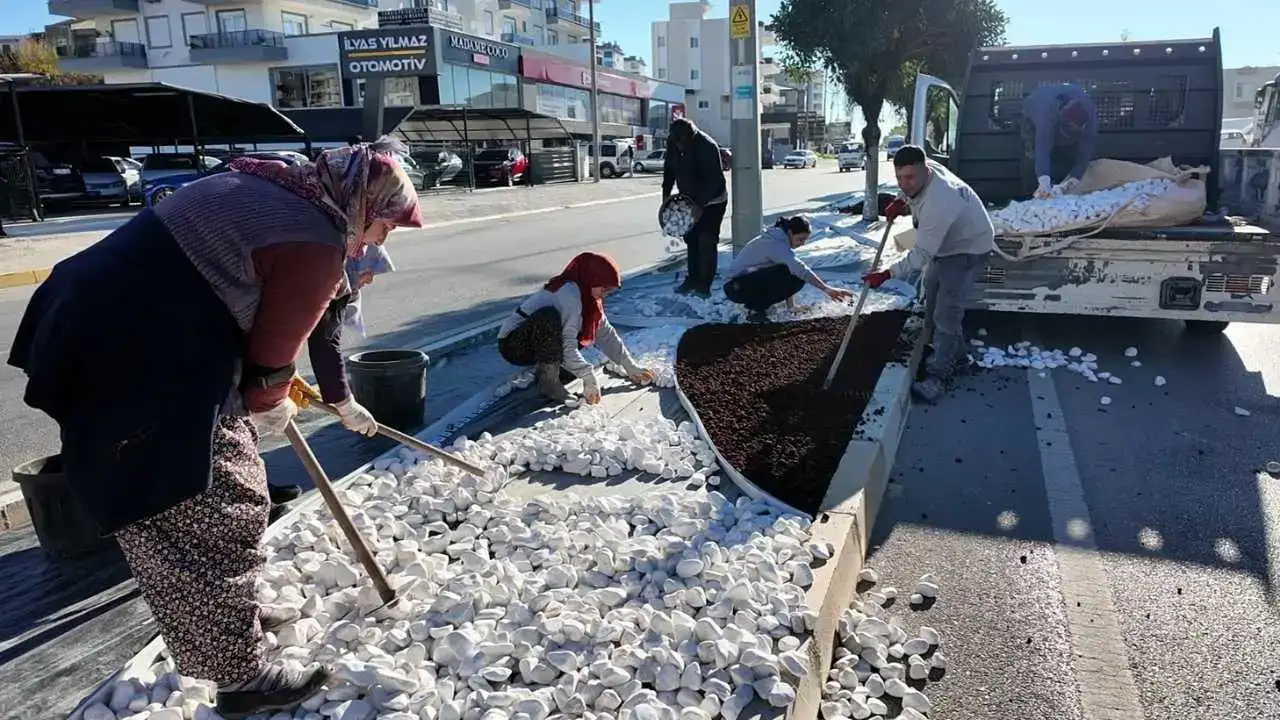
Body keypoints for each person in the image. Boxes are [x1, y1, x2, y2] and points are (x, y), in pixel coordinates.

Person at [8, 138, 423, 719]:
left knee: (198, 500)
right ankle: (242, 674)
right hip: (137, 357)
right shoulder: (315, 238)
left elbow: (311, 325)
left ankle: (230, 623)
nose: (383, 240)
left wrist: (335, 397)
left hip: (91, 321)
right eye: (387, 226)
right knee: (215, 507)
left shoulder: (283, 186)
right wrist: (270, 400)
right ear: (365, 205)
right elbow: (270, 364)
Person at [266, 244, 395, 520]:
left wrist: (286, 375)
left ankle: (260, 490)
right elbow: (325, 344)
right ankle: (242, 510)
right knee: (220, 437)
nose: (370, 279)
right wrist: (346, 407)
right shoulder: (327, 274)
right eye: (370, 270)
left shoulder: (324, 274)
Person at [862, 145, 994, 404]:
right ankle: (960, 358)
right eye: (899, 177)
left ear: (925, 170)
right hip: (946, 245)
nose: (904, 183)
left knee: (946, 311)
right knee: (931, 298)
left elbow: (920, 255)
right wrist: (902, 200)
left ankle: (939, 375)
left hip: (968, 248)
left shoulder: (940, 202)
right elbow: (912, 190)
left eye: (910, 178)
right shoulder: (926, 171)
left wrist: (886, 274)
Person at [498, 252, 656, 403]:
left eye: (609, 291)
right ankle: (549, 384)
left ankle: (552, 368)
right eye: (604, 288)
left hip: (538, 343)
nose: (605, 294)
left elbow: (606, 334)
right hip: (514, 344)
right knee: (549, 318)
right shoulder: (569, 294)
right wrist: (588, 376)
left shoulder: (589, 297)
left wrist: (631, 367)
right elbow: (567, 344)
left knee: (584, 329)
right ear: (591, 279)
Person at [723, 215, 854, 322]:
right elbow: (797, 268)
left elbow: (794, 272)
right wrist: (827, 289)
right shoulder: (775, 243)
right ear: (790, 232)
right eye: (800, 239)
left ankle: (760, 307)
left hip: (746, 282)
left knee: (794, 276)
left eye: (805, 241)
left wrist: (792, 307)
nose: (802, 244)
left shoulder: (780, 241)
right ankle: (756, 311)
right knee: (784, 271)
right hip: (735, 287)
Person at [662, 117, 728, 297]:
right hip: (688, 199)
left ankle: (704, 284)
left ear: (691, 137)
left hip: (713, 201)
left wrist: (698, 208)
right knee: (691, 239)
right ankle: (692, 279)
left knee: (706, 241)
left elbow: (713, 182)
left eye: (684, 144)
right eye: (678, 144)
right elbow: (669, 169)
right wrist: (666, 196)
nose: (680, 147)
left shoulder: (707, 146)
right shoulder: (674, 141)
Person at [1021, 83, 1098, 199]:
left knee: (1071, 154)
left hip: (1063, 112)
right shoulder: (1045, 113)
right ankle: (1032, 194)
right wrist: (1043, 181)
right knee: (1032, 154)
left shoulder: (1090, 113)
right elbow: (1042, 146)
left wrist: (1073, 180)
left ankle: (1062, 188)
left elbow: (1086, 150)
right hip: (1034, 115)